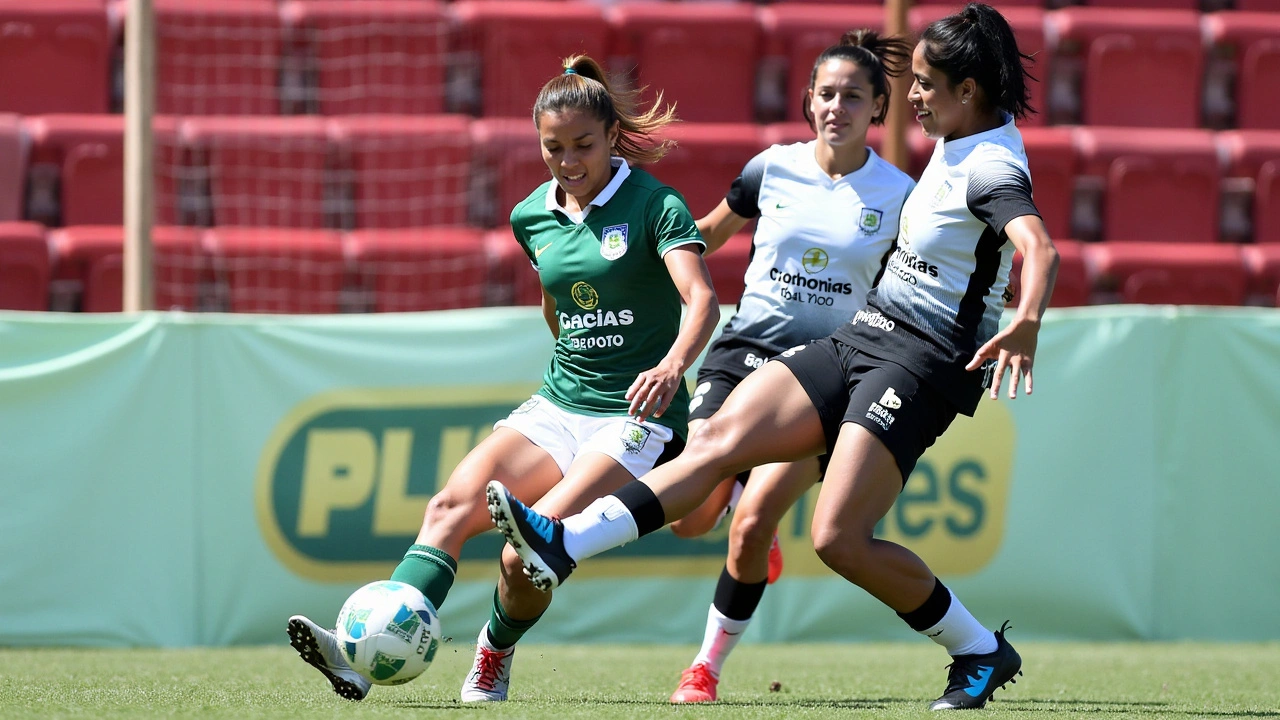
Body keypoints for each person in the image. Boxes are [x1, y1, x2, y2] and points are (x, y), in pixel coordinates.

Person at [488, 3, 1059, 710]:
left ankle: (977, 649)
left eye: (921, 84)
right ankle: (562, 541)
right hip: (867, 332)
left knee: (839, 539)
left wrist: (1027, 319)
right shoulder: (957, 133)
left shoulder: (992, 165)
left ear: (966, 91)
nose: (910, 97)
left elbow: (1038, 245)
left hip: (922, 364)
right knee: (718, 442)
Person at [287, 54, 719, 703]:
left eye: (582, 145)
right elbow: (556, 303)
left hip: (635, 417)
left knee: (526, 554)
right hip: (560, 403)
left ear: (609, 138)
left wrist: (670, 365)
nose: (568, 161)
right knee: (448, 508)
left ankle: (493, 652)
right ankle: (356, 656)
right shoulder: (531, 216)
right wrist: (575, 365)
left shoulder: (654, 203)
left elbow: (702, 300)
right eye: (553, 148)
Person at [662, 30, 917, 704]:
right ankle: (738, 485)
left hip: (827, 375)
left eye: (853, 96)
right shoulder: (770, 167)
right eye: (826, 94)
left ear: (876, 109)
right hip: (745, 354)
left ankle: (704, 670)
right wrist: (656, 261)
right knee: (690, 519)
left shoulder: (901, 195)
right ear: (807, 102)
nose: (838, 106)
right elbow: (709, 230)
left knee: (748, 530)